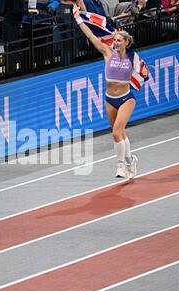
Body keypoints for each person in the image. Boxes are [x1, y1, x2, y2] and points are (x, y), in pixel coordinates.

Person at [72, 3, 149, 178]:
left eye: (119, 40)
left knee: (116, 132)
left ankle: (120, 165)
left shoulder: (133, 58)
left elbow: (144, 72)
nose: (115, 42)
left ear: (126, 43)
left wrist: (142, 73)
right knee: (120, 133)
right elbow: (91, 35)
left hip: (126, 98)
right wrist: (78, 19)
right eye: (114, 40)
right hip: (109, 99)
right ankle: (130, 161)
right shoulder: (107, 52)